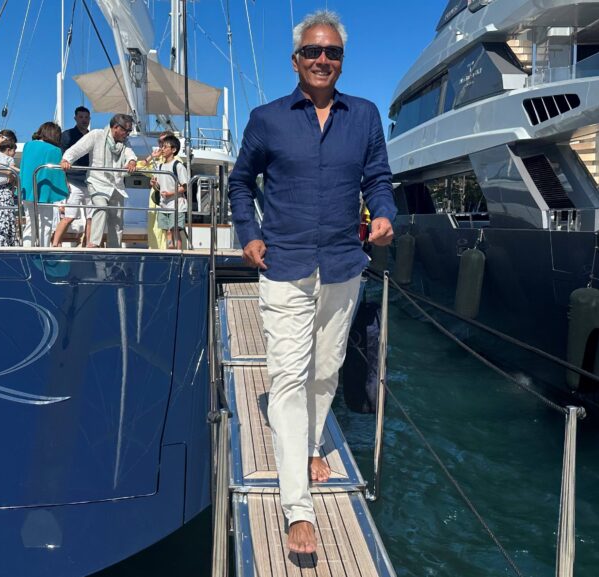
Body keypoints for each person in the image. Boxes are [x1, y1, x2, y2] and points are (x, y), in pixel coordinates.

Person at [227, 9, 395, 555]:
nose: (323, 60)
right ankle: (296, 506)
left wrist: (386, 213)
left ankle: (311, 444)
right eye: (313, 52)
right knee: (289, 375)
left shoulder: (365, 116)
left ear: (341, 60)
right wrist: (249, 233)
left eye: (333, 53)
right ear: (296, 60)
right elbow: (239, 183)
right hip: (285, 265)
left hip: (344, 263)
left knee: (326, 371)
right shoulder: (266, 118)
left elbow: (378, 179)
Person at [58, 113, 138, 248]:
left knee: (117, 219)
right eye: (127, 130)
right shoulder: (97, 135)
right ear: (116, 128)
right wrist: (66, 160)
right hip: (97, 182)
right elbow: (78, 148)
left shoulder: (125, 143)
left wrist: (131, 162)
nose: (128, 134)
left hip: (116, 185)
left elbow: (130, 154)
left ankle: (115, 249)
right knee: (101, 208)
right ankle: (93, 244)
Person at [19, 122, 68, 247]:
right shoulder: (55, 150)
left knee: (30, 224)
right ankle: (43, 251)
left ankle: (27, 252)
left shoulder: (28, 145)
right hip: (45, 192)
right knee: (45, 225)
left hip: (27, 189)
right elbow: (56, 174)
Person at [56, 106, 92, 245]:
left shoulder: (91, 136)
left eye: (86, 117)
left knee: (91, 217)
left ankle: (89, 245)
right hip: (73, 181)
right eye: (81, 117)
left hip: (89, 181)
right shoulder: (66, 135)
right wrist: (64, 179)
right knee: (69, 216)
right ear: (75, 118)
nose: (84, 120)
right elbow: (61, 157)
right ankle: (55, 243)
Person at [150, 134, 189, 249]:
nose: (162, 149)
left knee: (175, 232)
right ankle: (170, 253)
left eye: (165, 147)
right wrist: (154, 184)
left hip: (176, 205)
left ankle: (177, 255)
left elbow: (185, 186)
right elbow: (158, 187)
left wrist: (170, 193)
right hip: (164, 205)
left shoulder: (178, 166)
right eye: (162, 146)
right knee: (167, 233)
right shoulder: (160, 166)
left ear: (174, 150)